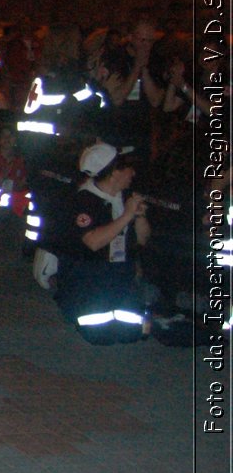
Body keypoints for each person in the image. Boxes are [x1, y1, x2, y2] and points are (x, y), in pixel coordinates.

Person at [45, 142, 153, 344]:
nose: (133, 172)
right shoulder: (84, 200)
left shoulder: (126, 197)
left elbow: (142, 239)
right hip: (90, 275)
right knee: (100, 335)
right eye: (127, 167)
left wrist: (139, 217)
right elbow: (93, 242)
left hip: (120, 273)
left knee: (131, 333)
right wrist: (127, 215)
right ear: (114, 173)